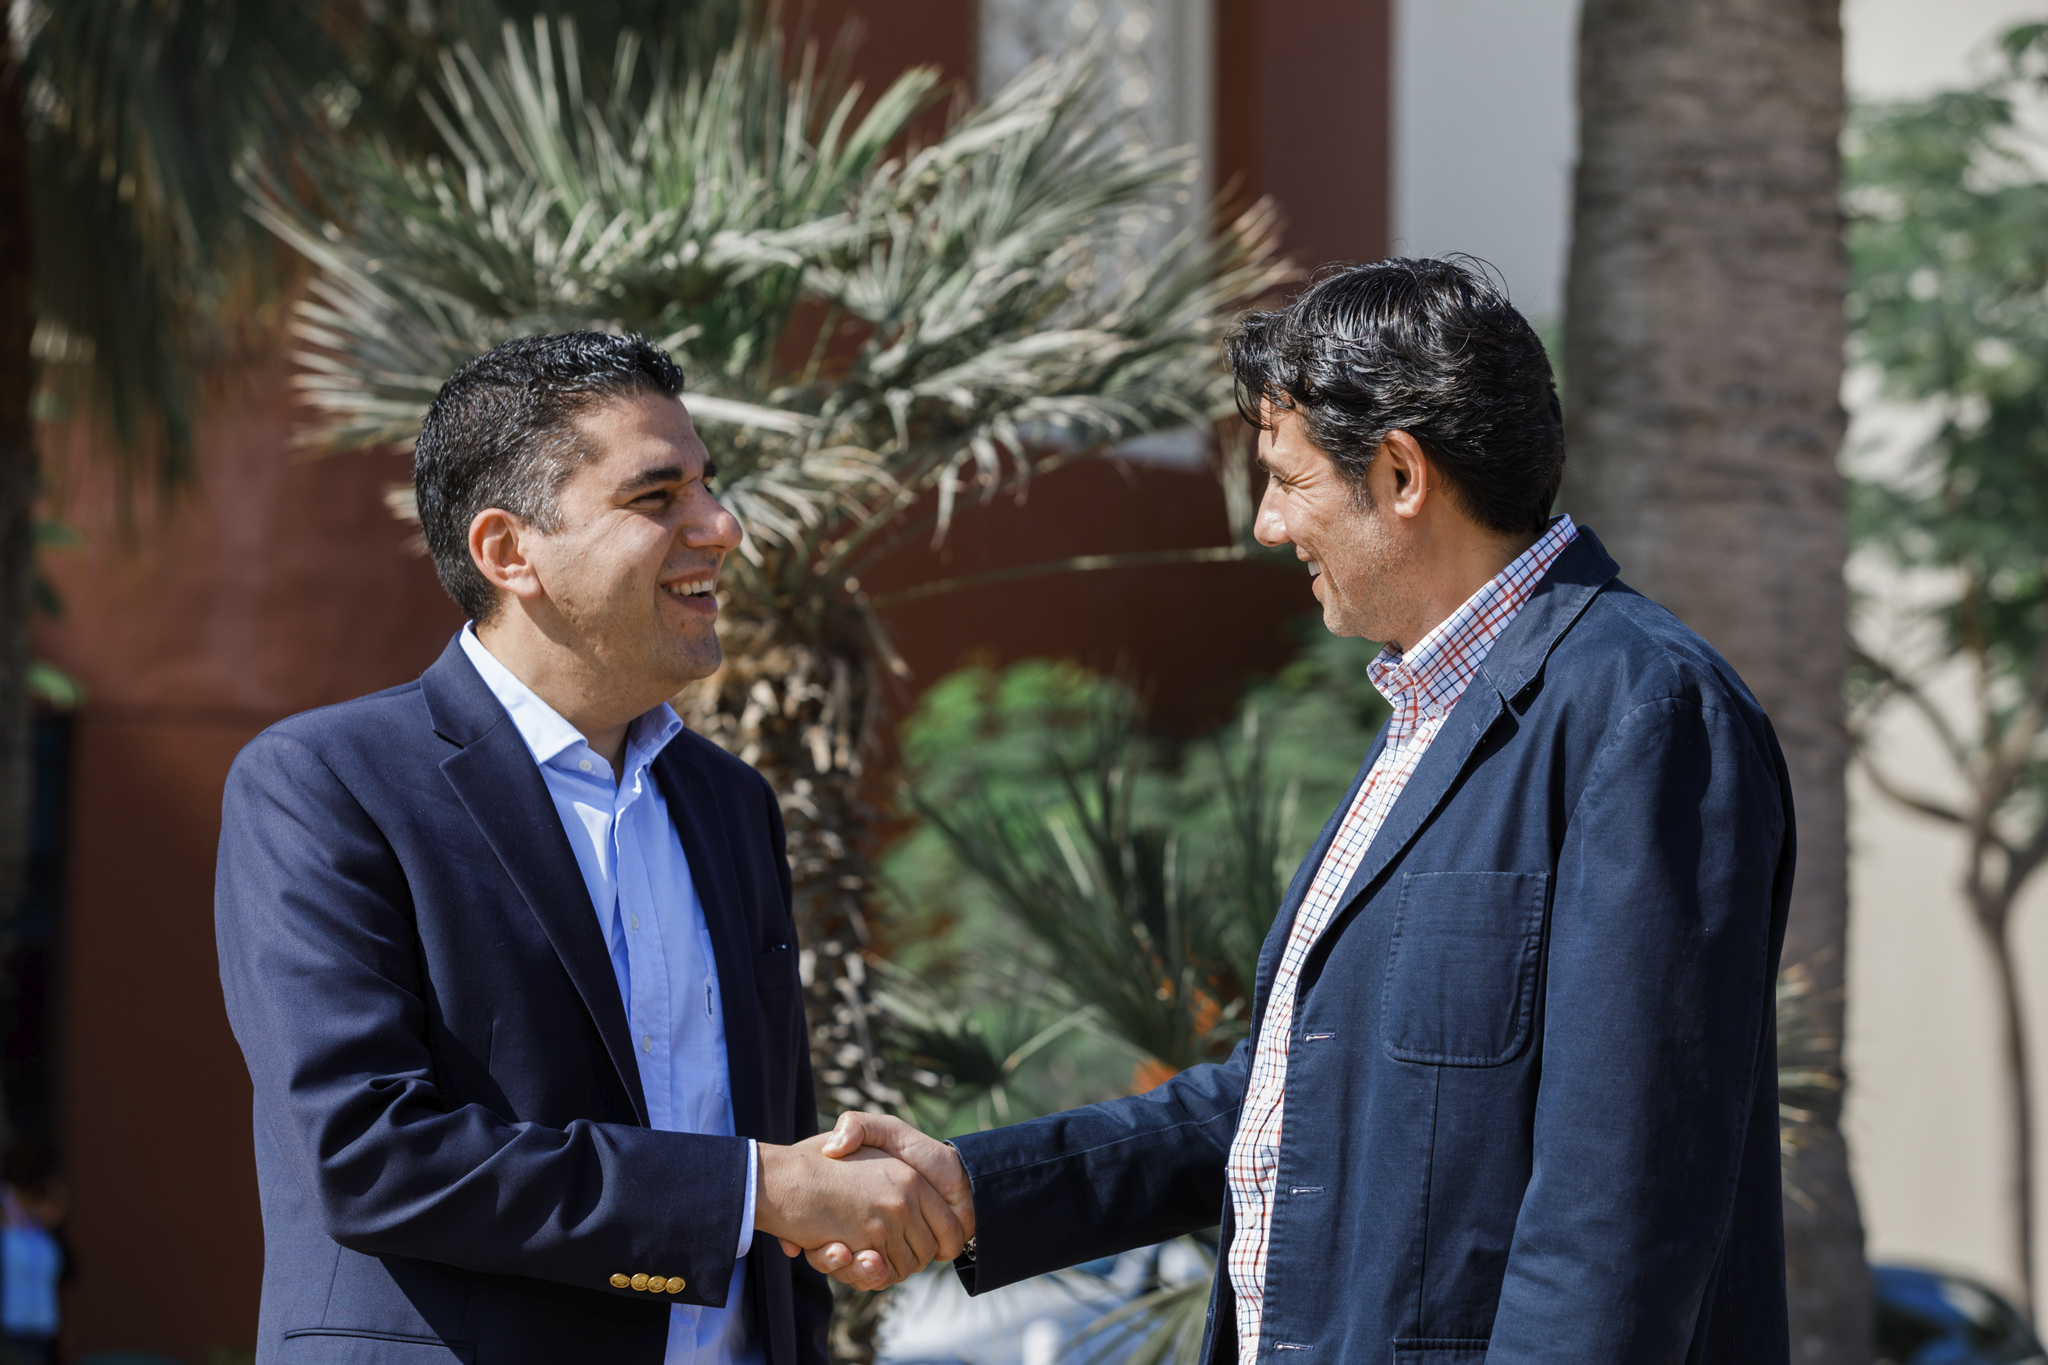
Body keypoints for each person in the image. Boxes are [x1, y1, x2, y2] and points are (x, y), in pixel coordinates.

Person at [811, 258, 1795, 1363]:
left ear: (1399, 474)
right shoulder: (1426, 714)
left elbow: (1621, 1196)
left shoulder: (1643, 707)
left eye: (1285, 480)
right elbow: (1283, 1100)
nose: (1269, 526)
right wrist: (973, 1184)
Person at [215, 333, 966, 1365]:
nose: (723, 527)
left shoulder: (730, 802)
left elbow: (770, 1147)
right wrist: (761, 1189)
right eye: (657, 498)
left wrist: (816, 1202)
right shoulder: (325, 783)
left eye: (709, 486)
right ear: (507, 552)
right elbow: (369, 1158)